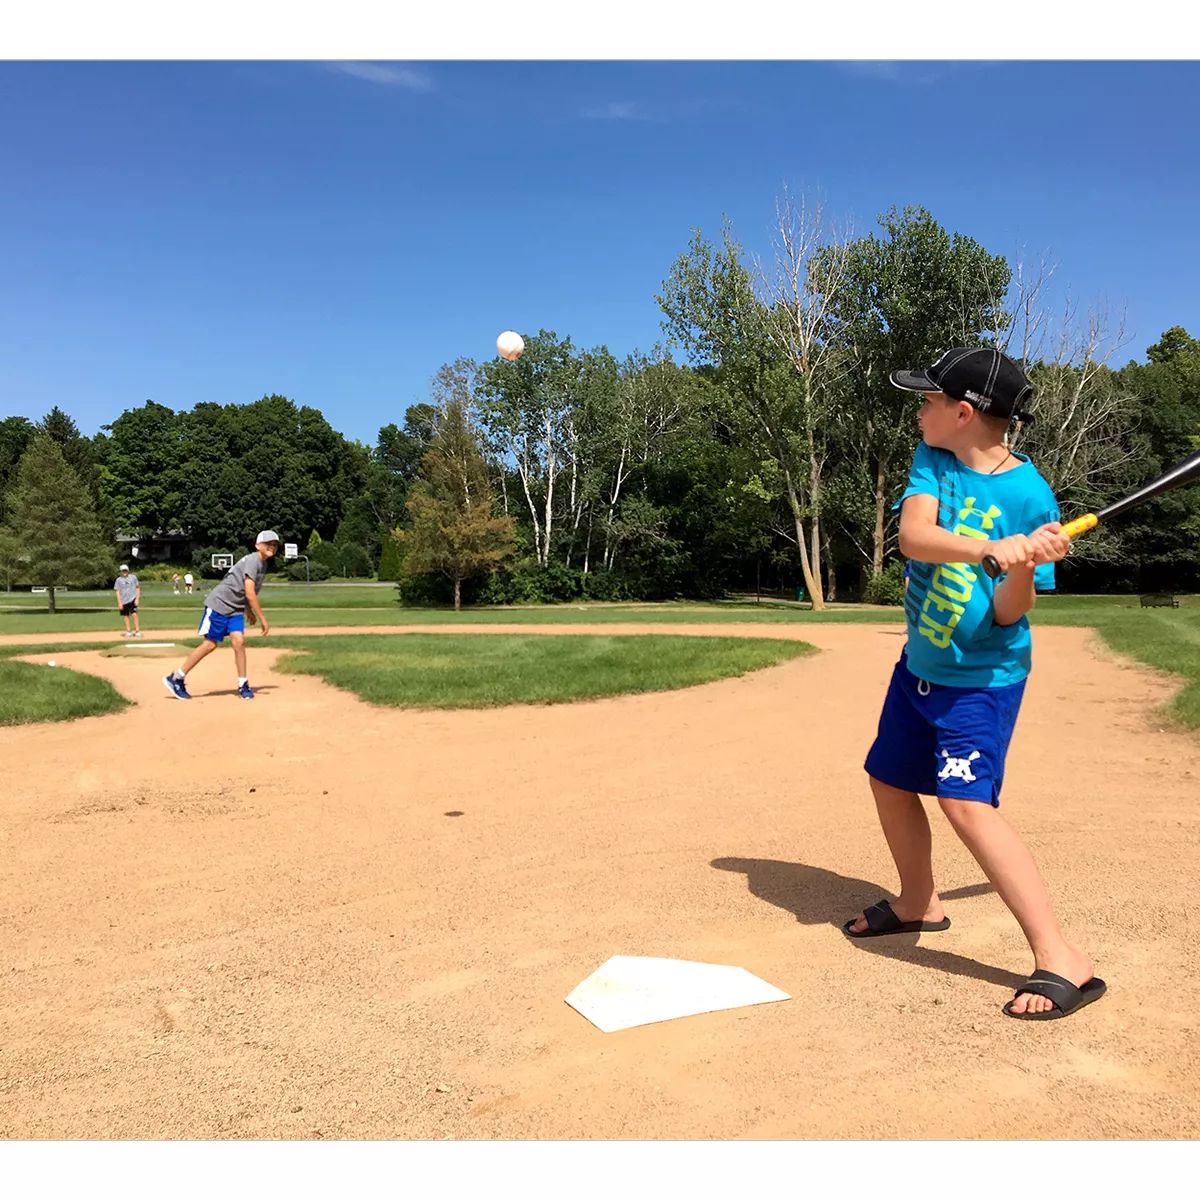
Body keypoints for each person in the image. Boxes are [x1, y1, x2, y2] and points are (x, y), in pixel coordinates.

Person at [844, 347, 1106, 1022]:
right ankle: (917, 902)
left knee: (966, 805)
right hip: (920, 668)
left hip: (981, 681)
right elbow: (913, 535)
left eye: (928, 400)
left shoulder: (1029, 496)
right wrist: (989, 549)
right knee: (890, 780)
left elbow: (1011, 613)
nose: (919, 408)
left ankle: (1060, 957)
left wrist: (1024, 561)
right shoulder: (933, 458)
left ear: (963, 413)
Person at [163, 530, 279, 701]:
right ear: (257, 545)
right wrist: (262, 618)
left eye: (275, 544)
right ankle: (176, 678)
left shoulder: (263, 565)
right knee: (210, 644)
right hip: (219, 605)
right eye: (268, 543)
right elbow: (249, 591)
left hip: (235, 609)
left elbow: (246, 591)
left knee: (239, 642)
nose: (272, 547)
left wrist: (248, 611)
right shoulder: (254, 561)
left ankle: (243, 684)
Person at [113, 564, 142, 638]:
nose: (124, 572)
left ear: (128, 570)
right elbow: (117, 591)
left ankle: (137, 631)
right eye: (123, 571)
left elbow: (137, 588)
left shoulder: (133, 578)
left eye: (125, 570)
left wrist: (137, 599)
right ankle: (128, 631)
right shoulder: (118, 580)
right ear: (121, 571)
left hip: (132, 599)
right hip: (124, 600)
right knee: (126, 615)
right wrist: (119, 602)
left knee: (134, 614)